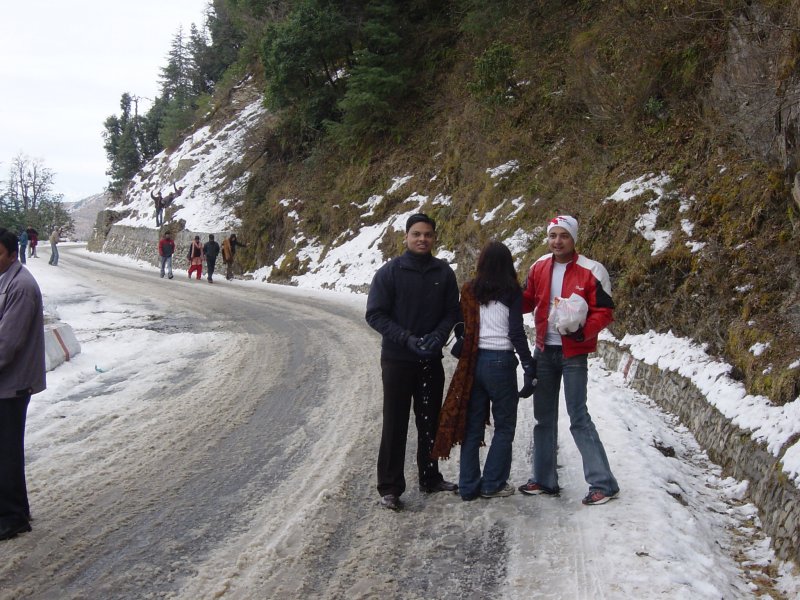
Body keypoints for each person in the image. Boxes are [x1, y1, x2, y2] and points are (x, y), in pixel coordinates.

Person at [519, 215, 619, 506]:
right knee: (543, 417)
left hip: (573, 354)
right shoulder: (539, 266)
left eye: (563, 235)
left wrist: (582, 333)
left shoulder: (592, 270)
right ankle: (544, 479)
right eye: (553, 236)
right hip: (543, 350)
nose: (557, 241)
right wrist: (501, 293)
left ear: (574, 238)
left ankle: (603, 483)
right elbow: (527, 300)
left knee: (578, 417)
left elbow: (605, 310)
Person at [365, 213, 460, 511]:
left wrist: (438, 336)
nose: (422, 239)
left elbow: (452, 312)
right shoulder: (390, 273)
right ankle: (390, 487)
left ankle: (430, 477)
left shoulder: (443, 273)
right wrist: (406, 338)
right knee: (395, 422)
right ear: (405, 237)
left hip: (430, 359)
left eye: (428, 235)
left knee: (430, 420)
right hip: (397, 359)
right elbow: (375, 314)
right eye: (417, 234)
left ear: (434, 238)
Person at [432, 241, 535, 500]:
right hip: (500, 362)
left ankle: (467, 486)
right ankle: (492, 484)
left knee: (472, 426)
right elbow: (515, 331)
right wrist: (528, 363)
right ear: (508, 264)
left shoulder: (469, 289)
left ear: (481, 263)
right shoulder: (511, 291)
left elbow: (460, 326)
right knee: (504, 426)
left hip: (473, 363)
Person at [0, 228, 46, 541]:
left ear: (12, 253)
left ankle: (13, 518)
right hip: (5, 382)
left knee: (6, 452)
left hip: (11, 385)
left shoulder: (21, 286)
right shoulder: (7, 280)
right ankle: (16, 509)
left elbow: (7, 343)